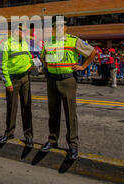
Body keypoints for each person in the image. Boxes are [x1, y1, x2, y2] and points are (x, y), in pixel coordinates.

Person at [40, 16, 96, 160]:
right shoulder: (49, 42)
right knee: (53, 113)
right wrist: (49, 69)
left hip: (68, 80)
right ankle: (52, 140)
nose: (59, 29)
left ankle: (73, 145)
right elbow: (43, 58)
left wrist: (83, 66)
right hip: (52, 81)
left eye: (61, 26)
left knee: (70, 114)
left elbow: (92, 52)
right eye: (56, 27)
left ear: (66, 27)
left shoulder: (73, 40)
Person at [0, 24, 34, 148]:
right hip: (13, 80)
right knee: (11, 107)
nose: (24, 32)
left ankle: (28, 135)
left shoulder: (24, 43)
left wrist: (31, 64)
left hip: (25, 78)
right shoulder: (6, 44)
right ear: (15, 31)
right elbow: (2, 66)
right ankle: (9, 133)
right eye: (22, 30)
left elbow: (29, 56)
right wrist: (7, 82)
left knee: (27, 107)